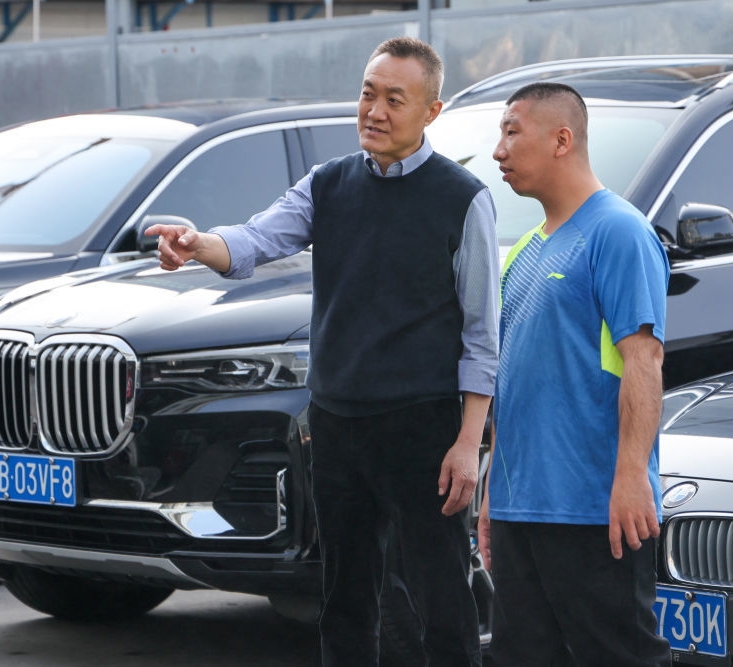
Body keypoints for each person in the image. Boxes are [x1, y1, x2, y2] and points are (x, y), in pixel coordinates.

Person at [146, 37, 499, 667]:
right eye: (368, 93)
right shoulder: (328, 184)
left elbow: (481, 334)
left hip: (424, 427)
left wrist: (468, 443)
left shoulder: (463, 198)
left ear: (431, 112)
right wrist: (197, 244)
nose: (375, 111)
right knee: (344, 598)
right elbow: (254, 241)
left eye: (395, 99)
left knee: (441, 596)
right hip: (337, 424)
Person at [478, 81, 671, 666]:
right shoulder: (524, 251)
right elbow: (511, 380)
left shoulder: (619, 232)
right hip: (519, 509)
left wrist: (631, 476)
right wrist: (493, 493)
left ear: (562, 140)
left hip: (593, 509)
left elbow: (644, 360)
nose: (498, 150)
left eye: (512, 132)